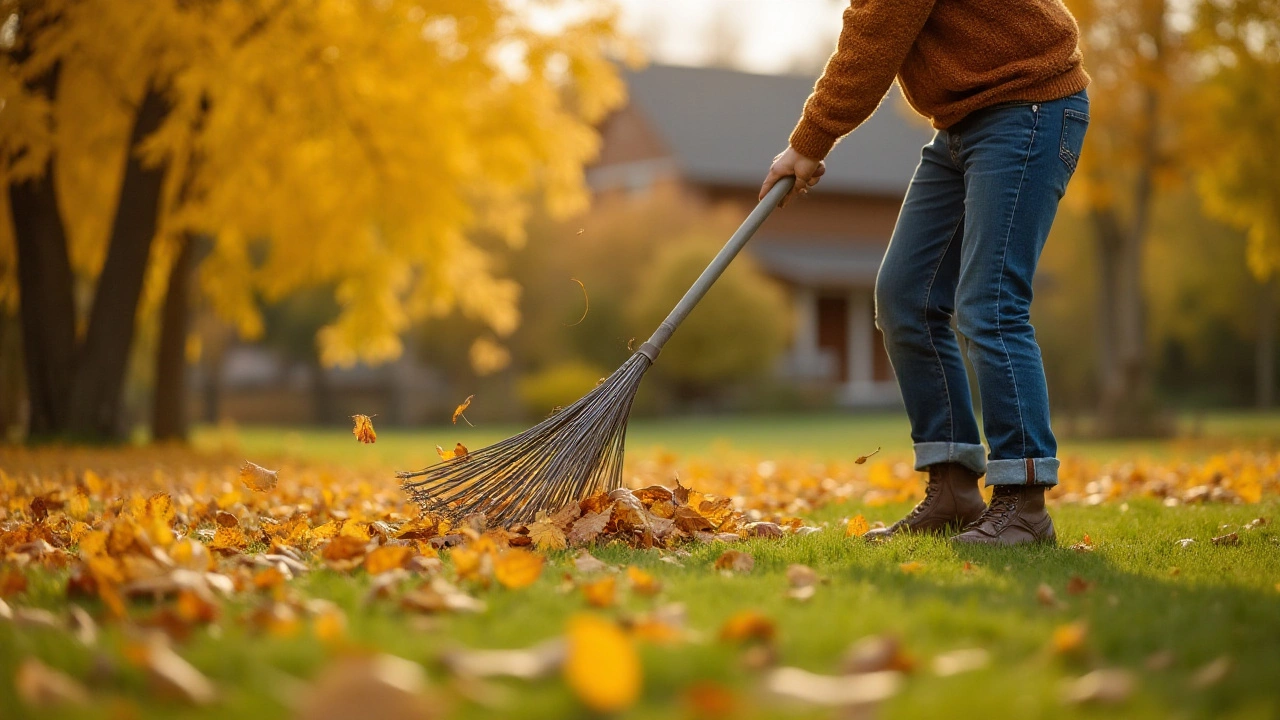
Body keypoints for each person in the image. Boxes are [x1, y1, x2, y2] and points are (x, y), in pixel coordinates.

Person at [760, 0, 1091, 546]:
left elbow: (874, 36)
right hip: (963, 121)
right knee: (904, 296)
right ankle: (954, 488)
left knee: (990, 301)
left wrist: (807, 142)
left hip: (1028, 105)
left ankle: (1023, 504)